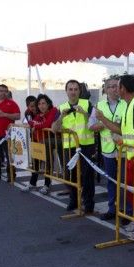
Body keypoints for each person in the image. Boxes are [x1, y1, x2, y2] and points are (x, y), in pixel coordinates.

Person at [96, 74, 134, 241]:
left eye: (118, 86)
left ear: (123, 88)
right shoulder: (130, 105)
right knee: (133, 193)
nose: (116, 89)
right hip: (133, 157)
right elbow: (121, 129)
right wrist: (102, 119)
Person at [51, 79, 95, 213]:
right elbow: (54, 129)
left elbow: (94, 122)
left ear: (79, 91)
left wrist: (84, 113)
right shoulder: (61, 107)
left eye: (76, 89)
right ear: (66, 91)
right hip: (69, 146)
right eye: (70, 89)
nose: (73, 92)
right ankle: (74, 201)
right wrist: (61, 117)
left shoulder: (87, 104)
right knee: (71, 175)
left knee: (87, 176)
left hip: (86, 145)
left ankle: (88, 204)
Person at [89, 77, 128, 221]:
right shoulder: (99, 105)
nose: (114, 89)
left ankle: (125, 211)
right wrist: (106, 124)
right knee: (111, 181)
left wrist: (112, 124)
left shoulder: (126, 104)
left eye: (116, 86)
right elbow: (90, 125)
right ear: (105, 89)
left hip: (124, 149)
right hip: (108, 150)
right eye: (110, 86)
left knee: (124, 182)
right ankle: (112, 209)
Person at [21, 94, 58, 194]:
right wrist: (35, 124)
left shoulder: (53, 110)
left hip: (50, 141)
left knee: (48, 163)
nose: (41, 106)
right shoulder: (39, 114)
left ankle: (47, 184)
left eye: (44, 103)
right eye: (39, 104)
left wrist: (36, 125)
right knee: (35, 162)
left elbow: (47, 124)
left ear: (48, 103)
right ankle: (32, 183)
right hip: (39, 141)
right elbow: (31, 122)